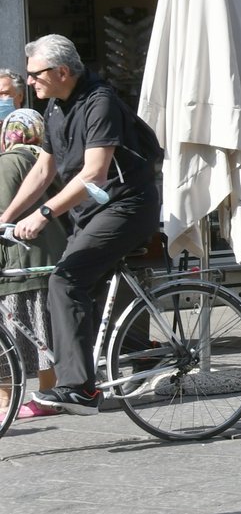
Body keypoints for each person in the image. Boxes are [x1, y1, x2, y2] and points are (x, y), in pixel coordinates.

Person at [0, 35, 162, 416]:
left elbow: (94, 173)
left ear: (61, 71)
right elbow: (44, 168)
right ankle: (97, 369)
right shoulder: (57, 105)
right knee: (78, 284)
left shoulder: (99, 102)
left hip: (127, 206)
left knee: (65, 280)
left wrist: (42, 215)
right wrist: (6, 218)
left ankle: (79, 389)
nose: (30, 83)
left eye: (35, 76)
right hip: (95, 212)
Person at [0, 109, 69, 418]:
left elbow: (3, 211)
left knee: (11, 335)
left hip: (20, 258)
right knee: (44, 330)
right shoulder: (46, 159)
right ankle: (47, 393)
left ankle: (4, 401)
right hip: (51, 254)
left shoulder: (9, 162)